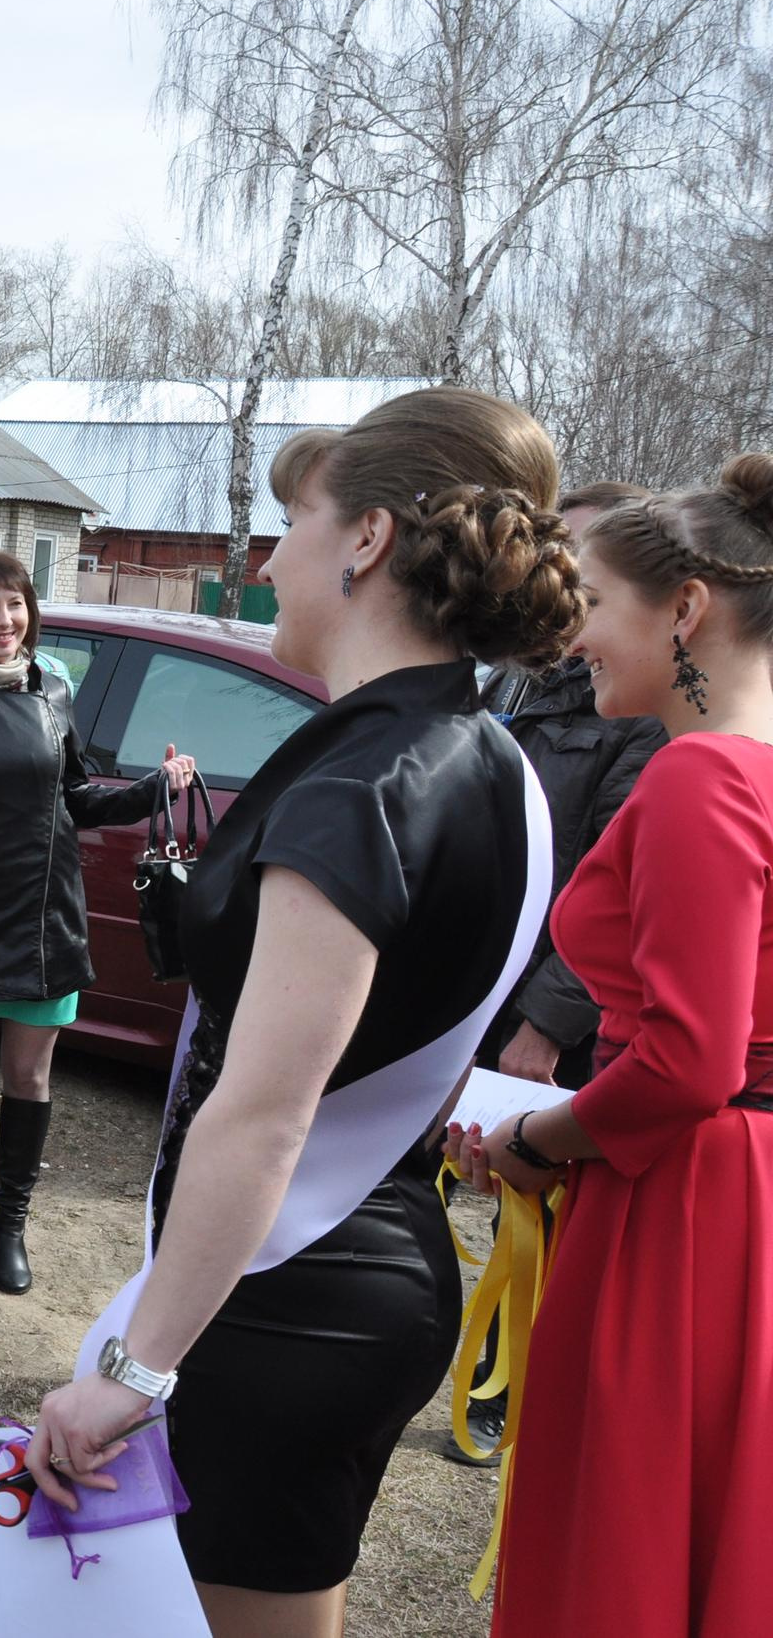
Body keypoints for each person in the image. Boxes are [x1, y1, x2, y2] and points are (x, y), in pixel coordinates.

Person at [26, 388, 579, 1637]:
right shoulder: (485, 755)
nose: (270, 558)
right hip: (365, 1265)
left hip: (287, 1293)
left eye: (293, 518)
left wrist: (131, 1370)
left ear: (367, 538)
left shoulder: (361, 782)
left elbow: (263, 1116)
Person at [447, 454, 773, 1637]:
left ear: (684, 609)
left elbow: (691, 1061)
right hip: (737, 1193)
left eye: (589, 601)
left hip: (675, 1202)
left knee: (628, 1528)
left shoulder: (702, 778)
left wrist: (539, 1134)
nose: (569, 635)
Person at [0, 548, 194, 1294]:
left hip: (47, 919)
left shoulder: (55, 688)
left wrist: (153, 790)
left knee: (29, 1076)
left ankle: (9, 1227)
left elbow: (76, 797)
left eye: (16, 603)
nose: (5, 618)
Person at [445, 475, 665, 1465]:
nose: (560, 570)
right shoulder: (510, 675)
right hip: (470, 976)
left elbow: (615, 885)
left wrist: (545, 1020)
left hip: (548, 1004)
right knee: (443, 1169)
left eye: (584, 557)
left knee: (525, 1198)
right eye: (550, 548)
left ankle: (495, 1385)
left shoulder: (637, 707)